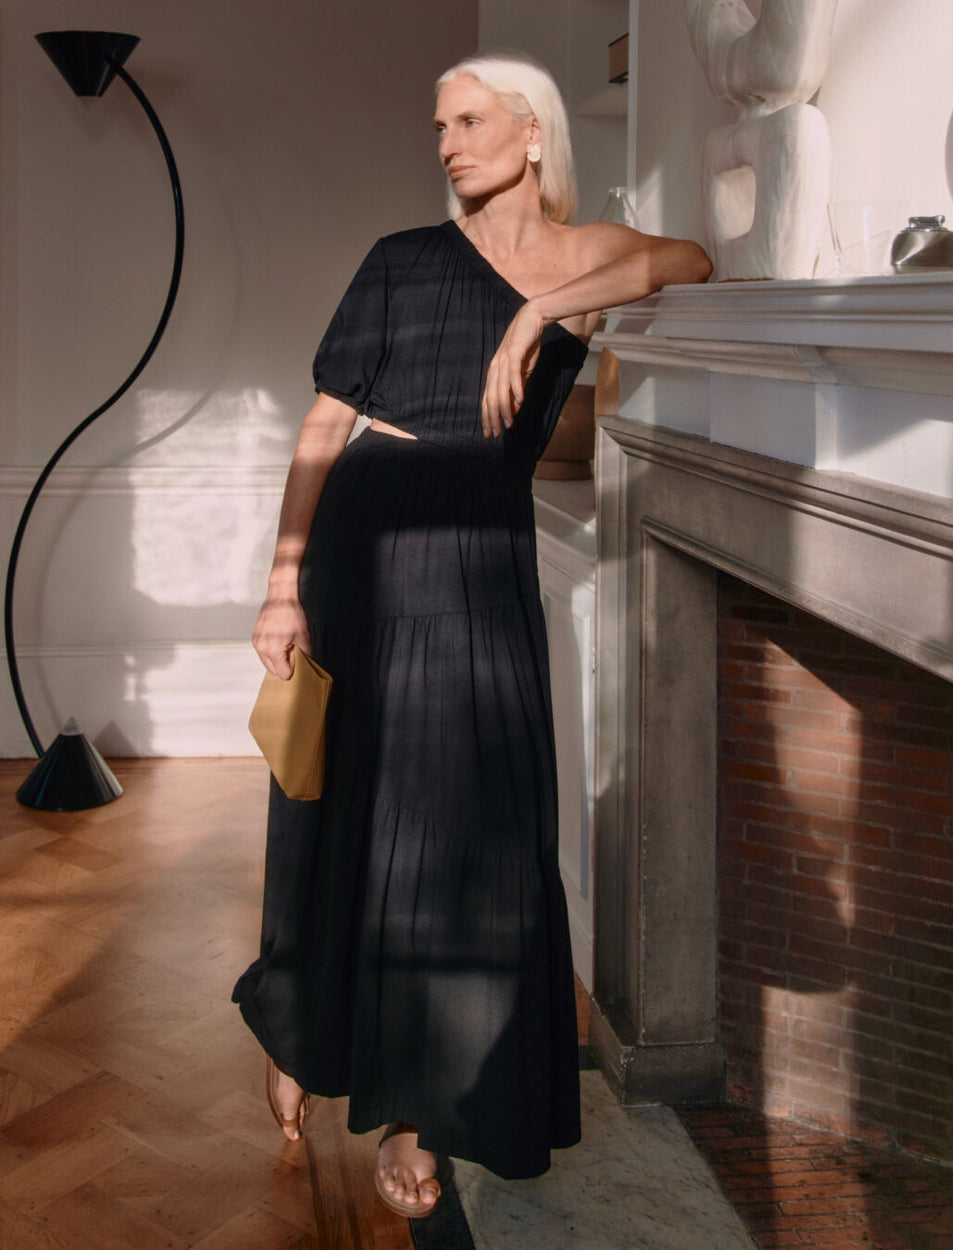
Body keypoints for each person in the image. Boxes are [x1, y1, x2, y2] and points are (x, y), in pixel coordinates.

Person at [233, 52, 711, 1218]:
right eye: (438, 123)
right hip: (368, 541)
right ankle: (313, 1026)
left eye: (469, 120)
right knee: (349, 798)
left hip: (481, 556)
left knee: (477, 831)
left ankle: (424, 1103)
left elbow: (693, 260)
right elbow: (321, 426)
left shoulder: (584, 257)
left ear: (533, 134)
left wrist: (543, 310)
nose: (447, 141)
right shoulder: (400, 261)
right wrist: (283, 583)